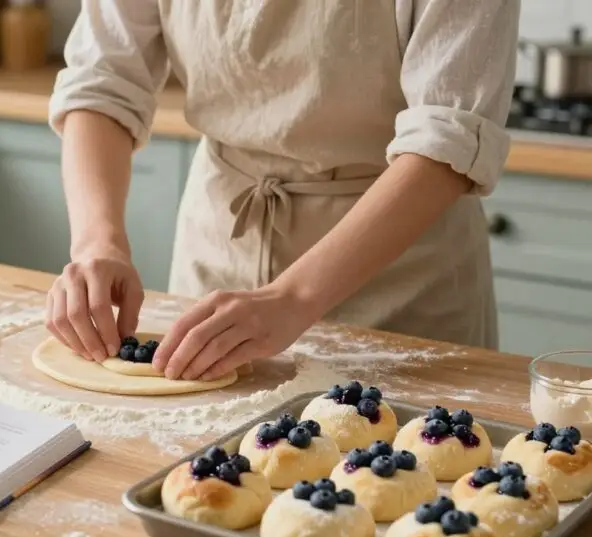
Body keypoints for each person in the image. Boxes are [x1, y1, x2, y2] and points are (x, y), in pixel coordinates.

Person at [43, 1, 520, 382]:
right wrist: (97, 242)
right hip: (219, 246)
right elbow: (102, 85)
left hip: (401, 278)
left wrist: (294, 297)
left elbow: (447, 139)